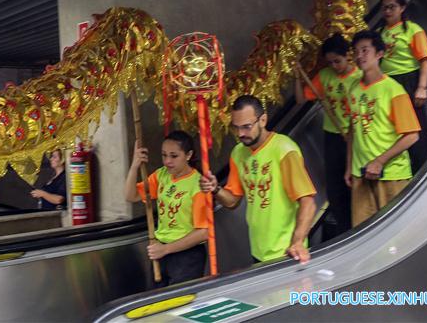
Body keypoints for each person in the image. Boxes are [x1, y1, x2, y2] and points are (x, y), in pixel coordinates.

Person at [200, 95, 316, 264]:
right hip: (258, 250)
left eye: (247, 127)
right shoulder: (238, 153)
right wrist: (215, 189)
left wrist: (297, 242)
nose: (241, 133)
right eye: (236, 127)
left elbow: (308, 201)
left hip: (287, 252)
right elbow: (232, 201)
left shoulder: (284, 150)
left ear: (263, 120)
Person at [344, 31, 421, 227]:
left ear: (379, 53)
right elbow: (352, 132)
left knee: (396, 232)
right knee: (362, 232)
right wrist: (349, 167)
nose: (359, 56)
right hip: (360, 173)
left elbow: (412, 135)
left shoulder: (393, 90)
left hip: (391, 175)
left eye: (365, 50)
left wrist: (379, 161)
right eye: (356, 51)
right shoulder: (353, 88)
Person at [293, 34, 361, 240]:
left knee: (354, 182)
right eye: (330, 62)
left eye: (337, 61)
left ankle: (360, 224)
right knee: (335, 186)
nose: (334, 66)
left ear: (348, 55)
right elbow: (300, 99)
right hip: (332, 136)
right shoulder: (325, 76)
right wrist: (298, 76)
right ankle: (344, 229)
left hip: (356, 137)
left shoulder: (359, 77)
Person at [125, 131, 211, 286]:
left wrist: (166, 249)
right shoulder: (161, 175)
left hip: (187, 255)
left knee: (180, 305)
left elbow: (203, 233)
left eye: (174, 156)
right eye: (164, 155)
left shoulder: (198, 184)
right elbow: (131, 196)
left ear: (188, 155)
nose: (167, 161)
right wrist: (134, 166)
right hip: (160, 251)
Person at [377, 0, 427, 173]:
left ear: (402, 8)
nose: (387, 11)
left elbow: (424, 60)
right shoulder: (379, 34)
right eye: (384, 8)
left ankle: (424, 169)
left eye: (392, 7)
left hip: (409, 79)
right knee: (395, 128)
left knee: (416, 127)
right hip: (388, 84)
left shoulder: (412, 30)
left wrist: (421, 88)